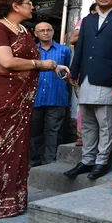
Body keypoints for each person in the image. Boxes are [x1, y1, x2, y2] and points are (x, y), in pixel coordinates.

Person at [0, 0, 69, 220]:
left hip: (20, 101)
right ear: (15, 6)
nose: (32, 6)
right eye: (28, 2)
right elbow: (7, 61)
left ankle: (10, 201)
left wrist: (54, 66)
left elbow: (29, 60)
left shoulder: (24, 31)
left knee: (15, 148)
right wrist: (41, 64)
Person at [64, 0, 112, 180]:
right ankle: (87, 160)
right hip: (87, 78)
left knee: (106, 124)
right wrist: (74, 73)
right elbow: (80, 48)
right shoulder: (87, 21)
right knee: (88, 124)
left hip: (108, 78)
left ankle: (101, 162)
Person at [29, 22, 72, 166]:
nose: (45, 33)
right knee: (34, 132)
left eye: (48, 30)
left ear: (53, 31)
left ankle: (50, 162)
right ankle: (34, 161)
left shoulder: (64, 50)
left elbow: (68, 72)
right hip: (35, 98)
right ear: (36, 33)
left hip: (57, 96)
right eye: (42, 30)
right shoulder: (31, 50)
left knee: (54, 131)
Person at [70, 2, 97, 147]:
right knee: (83, 104)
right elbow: (73, 39)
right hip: (83, 69)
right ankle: (81, 135)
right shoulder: (84, 23)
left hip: (100, 70)